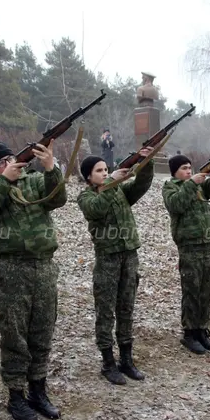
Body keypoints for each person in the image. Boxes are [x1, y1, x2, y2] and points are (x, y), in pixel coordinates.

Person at [0, 140, 67, 420]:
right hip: (12, 268)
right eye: (1, 162)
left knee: (42, 330)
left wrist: (50, 167)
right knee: (14, 333)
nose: (10, 164)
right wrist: (4, 181)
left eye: (11, 159)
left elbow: (57, 199)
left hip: (44, 266)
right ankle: (16, 394)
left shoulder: (37, 181)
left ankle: (38, 390)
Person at [77, 148, 153, 384]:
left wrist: (145, 162)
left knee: (126, 308)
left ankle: (126, 360)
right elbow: (96, 209)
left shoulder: (119, 191)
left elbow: (141, 186)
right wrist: (111, 182)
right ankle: (108, 362)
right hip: (107, 259)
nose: (104, 173)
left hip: (129, 256)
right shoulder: (86, 197)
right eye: (99, 171)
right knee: (106, 312)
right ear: (89, 177)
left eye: (106, 170)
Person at [163, 150, 210, 354]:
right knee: (192, 290)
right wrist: (191, 183)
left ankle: (202, 330)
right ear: (175, 172)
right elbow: (176, 205)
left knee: (207, 288)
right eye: (183, 169)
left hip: (206, 245)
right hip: (189, 246)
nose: (188, 171)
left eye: (189, 168)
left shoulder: (199, 187)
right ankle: (189, 333)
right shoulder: (171, 188)